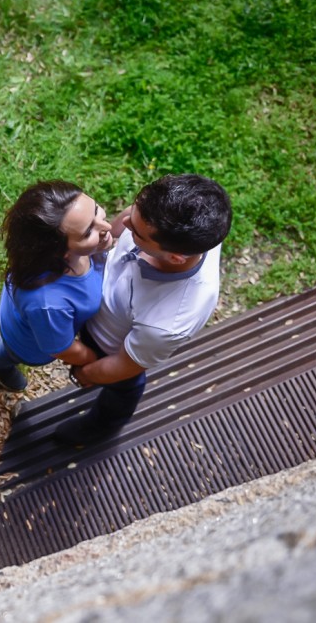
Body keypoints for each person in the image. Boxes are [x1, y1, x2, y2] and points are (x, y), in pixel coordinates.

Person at [54, 173, 231, 447]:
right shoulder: (173, 221)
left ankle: (103, 426)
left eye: (136, 231)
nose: (124, 224)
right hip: (100, 310)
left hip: (110, 347)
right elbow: (124, 223)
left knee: (123, 389)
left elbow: (125, 364)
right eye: (134, 211)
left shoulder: (168, 321)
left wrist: (85, 374)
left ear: (175, 257)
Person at [0, 181, 114, 393]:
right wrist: (95, 359)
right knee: (9, 350)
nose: (106, 227)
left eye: (96, 211)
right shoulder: (49, 304)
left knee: (26, 325)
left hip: (27, 315)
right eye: (88, 232)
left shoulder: (50, 257)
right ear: (61, 252)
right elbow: (62, 349)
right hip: (29, 345)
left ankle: (12, 331)